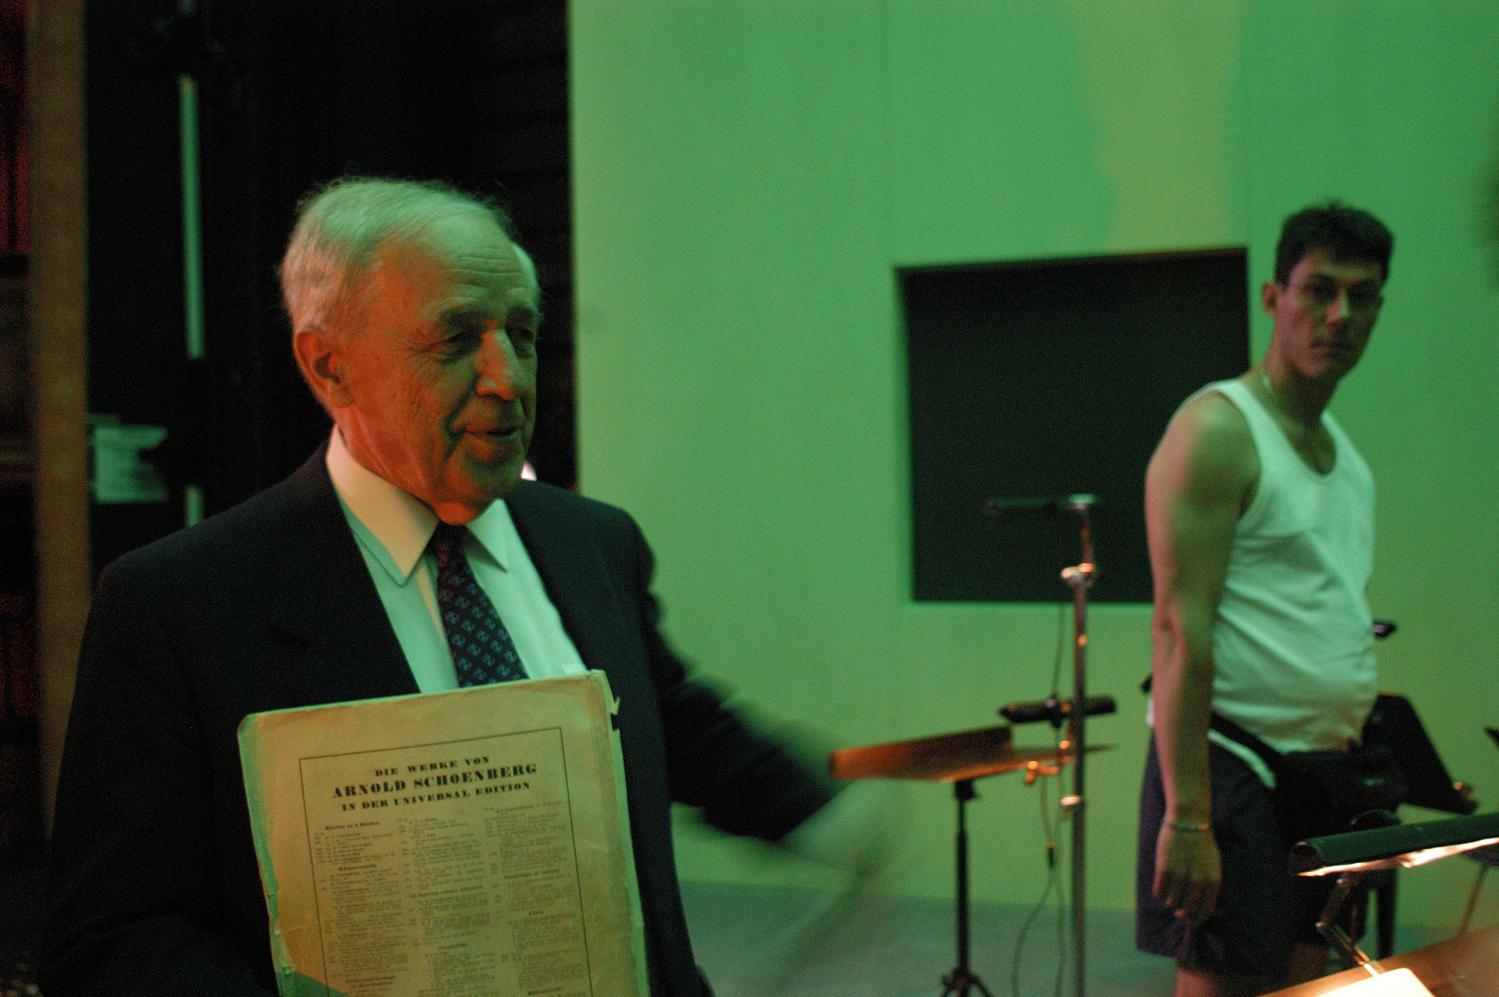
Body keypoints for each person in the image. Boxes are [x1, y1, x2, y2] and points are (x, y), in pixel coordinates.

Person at [41, 177, 857, 996]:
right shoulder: (184, 604)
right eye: (458, 338)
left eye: (523, 335)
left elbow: (665, 716)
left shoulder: (592, 542)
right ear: (330, 366)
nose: (508, 379)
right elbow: (112, 936)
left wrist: (811, 807)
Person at [1136, 202, 1394, 995]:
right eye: (1318, 290)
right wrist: (1187, 815)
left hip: (1323, 775)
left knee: (1309, 983)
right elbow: (1180, 633)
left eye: (1362, 296)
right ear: (1272, 297)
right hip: (1228, 767)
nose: (1339, 315)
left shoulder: (1347, 461)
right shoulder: (1218, 432)